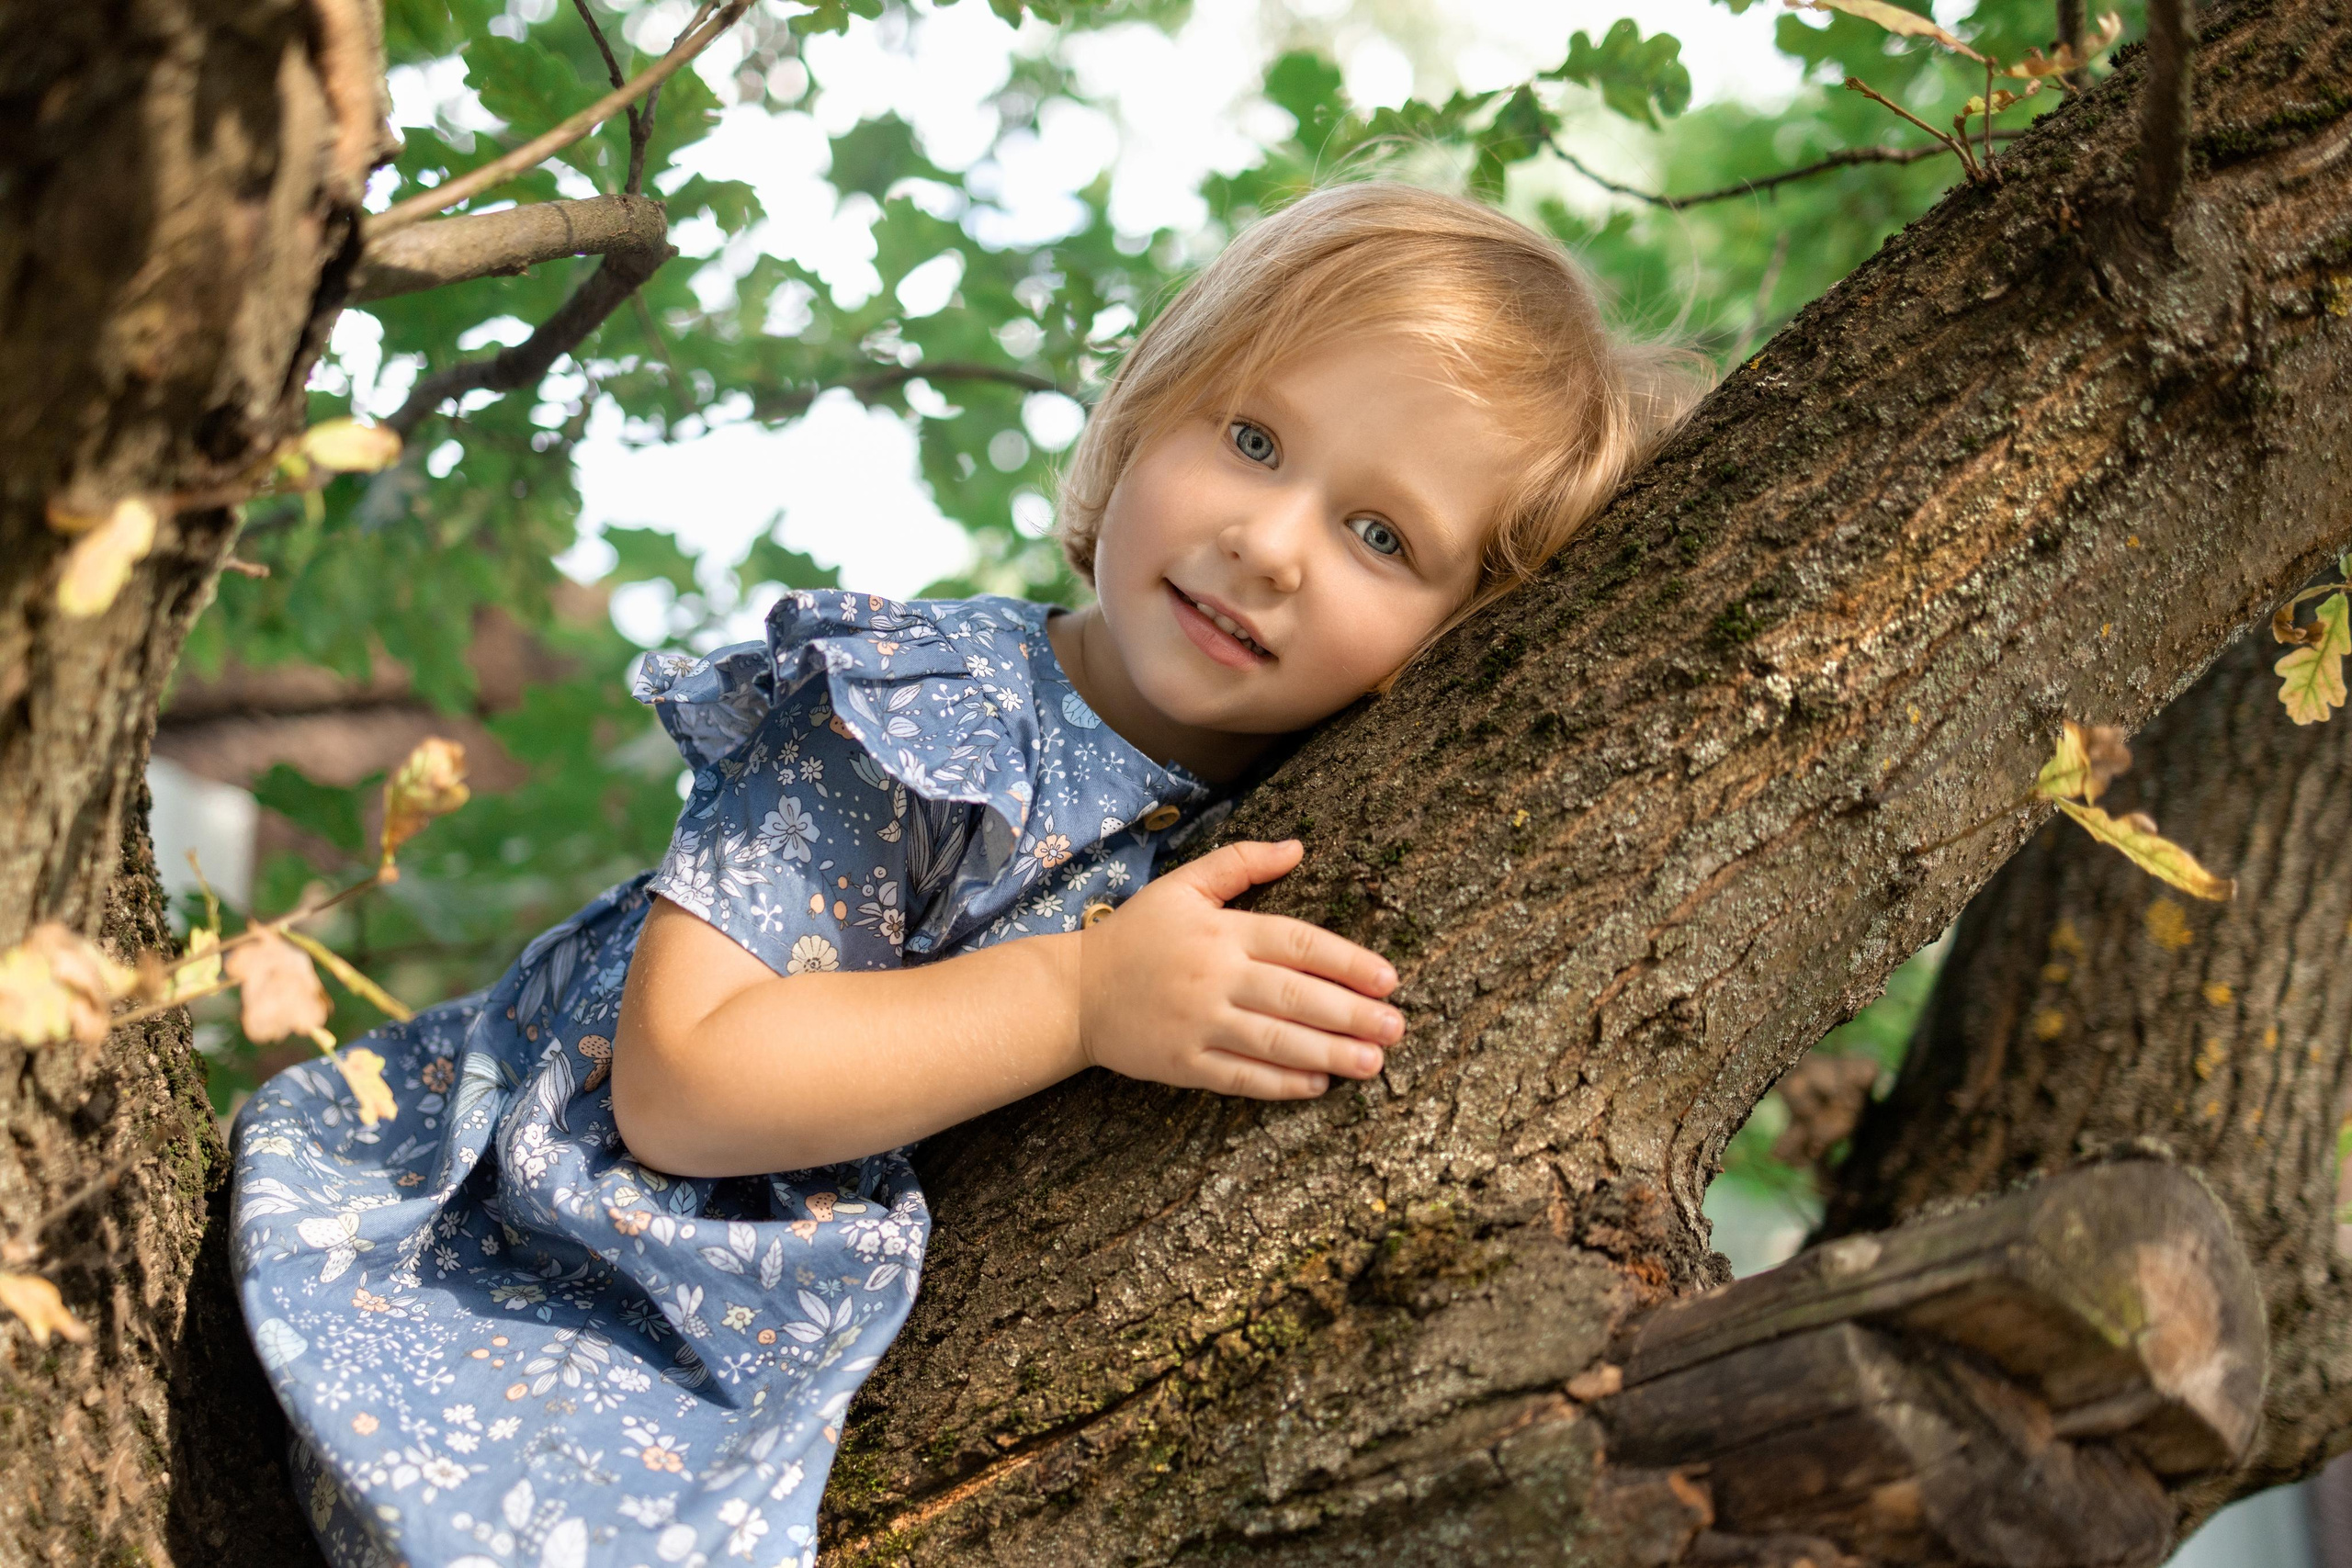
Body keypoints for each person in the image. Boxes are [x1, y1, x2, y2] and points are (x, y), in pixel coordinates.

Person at [231, 180, 1708, 1568]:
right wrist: (1077, 995)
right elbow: (683, 1085)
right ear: (1143, 418)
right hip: (528, 1279)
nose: (1268, 544)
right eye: (1253, 440)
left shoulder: (1292, 814)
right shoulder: (923, 717)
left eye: (1382, 535)